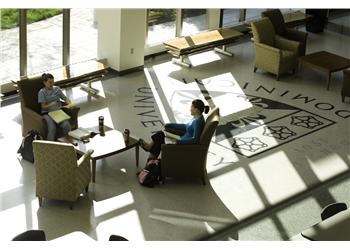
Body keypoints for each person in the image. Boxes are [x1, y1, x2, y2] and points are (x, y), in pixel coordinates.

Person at [139, 99, 210, 159]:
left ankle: (149, 156)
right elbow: (186, 126)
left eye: (192, 107)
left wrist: (178, 141)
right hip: (181, 139)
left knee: (159, 139)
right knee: (161, 134)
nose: (190, 109)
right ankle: (149, 156)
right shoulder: (196, 117)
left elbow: (195, 139)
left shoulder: (198, 122)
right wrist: (171, 125)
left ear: (196, 110)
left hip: (182, 144)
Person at [38, 73, 71, 141]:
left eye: (53, 82)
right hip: (47, 113)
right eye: (50, 82)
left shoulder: (57, 89)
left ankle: (67, 142)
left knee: (66, 125)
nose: (52, 84)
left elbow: (64, 98)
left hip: (58, 112)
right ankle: (51, 145)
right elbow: (43, 107)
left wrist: (69, 103)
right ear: (44, 82)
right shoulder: (42, 92)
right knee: (52, 128)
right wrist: (51, 104)